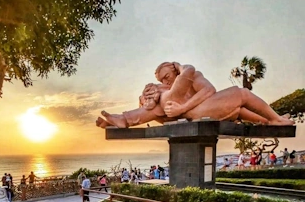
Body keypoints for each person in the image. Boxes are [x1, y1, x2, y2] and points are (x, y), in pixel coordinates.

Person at [96, 62, 294, 128]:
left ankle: (271, 120)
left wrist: (182, 108)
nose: (165, 81)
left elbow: (210, 91)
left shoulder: (191, 76)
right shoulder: (165, 91)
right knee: (240, 94)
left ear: (174, 69)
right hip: (195, 114)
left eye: (167, 76)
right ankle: (121, 120)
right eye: (161, 79)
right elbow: (158, 113)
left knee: (239, 103)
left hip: (202, 109)